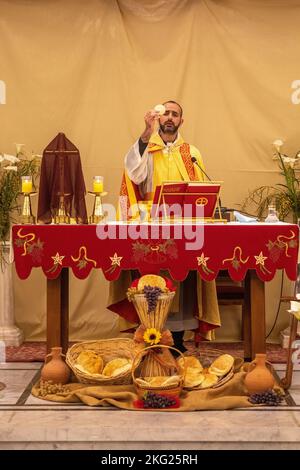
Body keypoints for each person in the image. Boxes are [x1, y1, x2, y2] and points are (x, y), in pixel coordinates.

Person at [108, 101, 220, 352]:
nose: (170, 118)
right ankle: (149, 336)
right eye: (166, 113)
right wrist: (146, 133)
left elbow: (199, 189)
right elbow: (134, 175)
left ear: (182, 121)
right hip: (150, 227)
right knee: (152, 281)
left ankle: (177, 342)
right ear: (159, 119)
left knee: (183, 282)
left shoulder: (192, 153)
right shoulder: (148, 147)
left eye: (175, 114)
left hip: (184, 229)